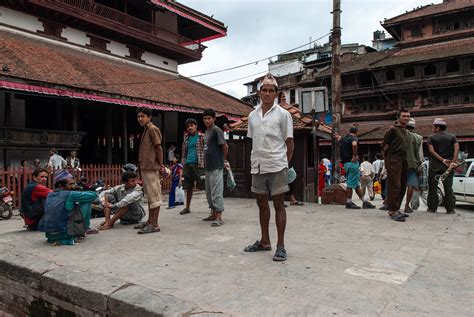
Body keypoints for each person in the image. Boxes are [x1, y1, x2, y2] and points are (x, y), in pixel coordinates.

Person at [243, 73, 294, 262]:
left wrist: (285, 164)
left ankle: (280, 246)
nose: (267, 93)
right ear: (259, 92)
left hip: (277, 165)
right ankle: (265, 241)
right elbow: (252, 141)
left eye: (271, 90)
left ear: (276, 94)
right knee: (261, 203)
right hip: (257, 165)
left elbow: (290, 143)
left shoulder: (284, 115)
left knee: (279, 204)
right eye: (264, 90)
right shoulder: (252, 116)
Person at [38, 169, 98, 245]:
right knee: (86, 201)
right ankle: (85, 229)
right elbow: (93, 195)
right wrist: (85, 191)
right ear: (60, 185)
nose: (73, 186)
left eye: (74, 184)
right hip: (65, 233)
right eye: (70, 184)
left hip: (49, 235)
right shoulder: (70, 194)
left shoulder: (50, 194)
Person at [134, 107, 166, 234]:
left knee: (154, 196)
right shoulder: (146, 130)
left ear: (149, 117)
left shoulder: (152, 129)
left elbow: (159, 148)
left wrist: (161, 164)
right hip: (146, 167)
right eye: (138, 116)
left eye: (143, 116)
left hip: (152, 167)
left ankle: (155, 224)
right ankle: (150, 221)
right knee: (150, 197)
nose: (140, 119)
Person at [381, 108, 411, 222]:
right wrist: (387, 162)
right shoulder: (392, 130)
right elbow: (384, 147)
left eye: (408, 116)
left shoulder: (405, 131)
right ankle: (392, 210)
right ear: (398, 117)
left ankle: (397, 209)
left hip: (404, 160)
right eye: (404, 116)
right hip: (394, 160)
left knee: (403, 186)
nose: (406, 118)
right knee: (395, 186)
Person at [426, 118, 459, 214]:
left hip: (435, 165)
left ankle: (432, 208)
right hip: (448, 165)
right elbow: (457, 149)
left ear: (438, 127)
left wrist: (442, 160)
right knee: (448, 187)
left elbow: (431, 151)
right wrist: (453, 161)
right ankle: (450, 209)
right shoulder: (452, 137)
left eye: (433, 127)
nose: (432, 129)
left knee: (432, 186)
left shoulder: (431, 138)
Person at [339, 127, 375, 209]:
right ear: (357, 132)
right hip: (352, 163)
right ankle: (348, 202)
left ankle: (364, 201)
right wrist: (355, 155)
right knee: (350, 184)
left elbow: (338, 139)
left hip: (346, 163)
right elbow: (354, 144)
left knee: (355, 184)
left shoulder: (343, 139)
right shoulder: (353, 138)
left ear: (348, 131)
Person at [203, 108, 228, 226]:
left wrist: (222, 160)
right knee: (209, 191)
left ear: (214, 119)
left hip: (217, 165)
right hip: (208, 166)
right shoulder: (207, 132)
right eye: (205, 118)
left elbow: (225, 147)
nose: (207, 121)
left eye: (209, 118)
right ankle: (213, 213)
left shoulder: (217, 130)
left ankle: (219, 217)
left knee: (216, 191)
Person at [180, 118, 205, 216]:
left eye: (192, 125)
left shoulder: (202, 137)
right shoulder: (186, 138)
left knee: (205, 186)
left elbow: (206, 150)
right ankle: (187, 207)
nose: (190, 127)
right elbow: (183, 152)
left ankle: (213, 208)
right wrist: (183, 164)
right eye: (188, 126)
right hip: (188, 164)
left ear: (196, 126)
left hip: (199, 165)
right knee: (188, 187)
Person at [404, 118, 424, 214]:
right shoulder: (419, 138)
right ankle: (407, 205)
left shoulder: (400, 135)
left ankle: (393, 205)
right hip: (412, 164)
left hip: (400, 164)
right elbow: (420, 156)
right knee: (411, 185)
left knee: (398, 185)